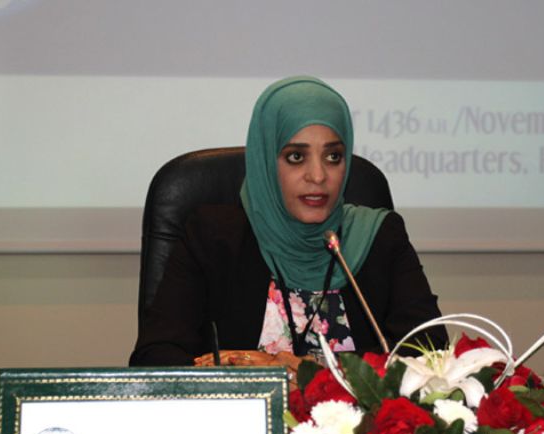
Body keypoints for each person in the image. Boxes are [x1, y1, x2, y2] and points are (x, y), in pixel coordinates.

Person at [129, 76, 446, 379]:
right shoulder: (212, 237)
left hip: (351, 420)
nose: (318, 176)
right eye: (296, 156)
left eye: (333, 156)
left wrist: (302, 370)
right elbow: (155, 357)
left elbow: (429, 354)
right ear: (266, 162)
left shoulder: (378, 237)